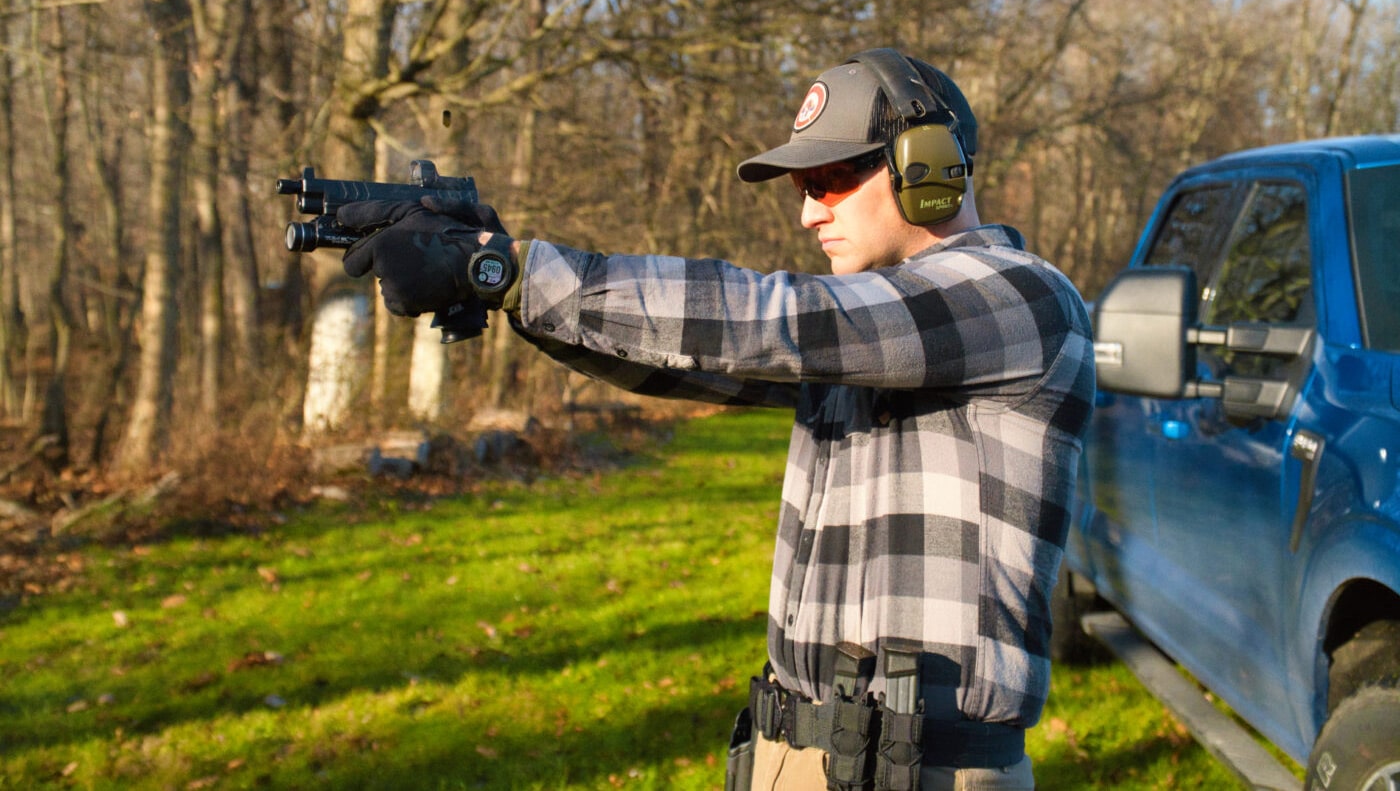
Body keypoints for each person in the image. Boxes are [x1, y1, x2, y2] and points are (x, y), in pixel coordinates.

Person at [334, 48, 1096, 791]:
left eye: (828, 180)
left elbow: (767, 318)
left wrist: (512, 267)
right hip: (797, 753)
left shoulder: (1021, 299)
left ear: (926, 164)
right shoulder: (872, 336)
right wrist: (504, 284)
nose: (807, 211)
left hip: (927, 768)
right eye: (803, 184)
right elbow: (691, 360)